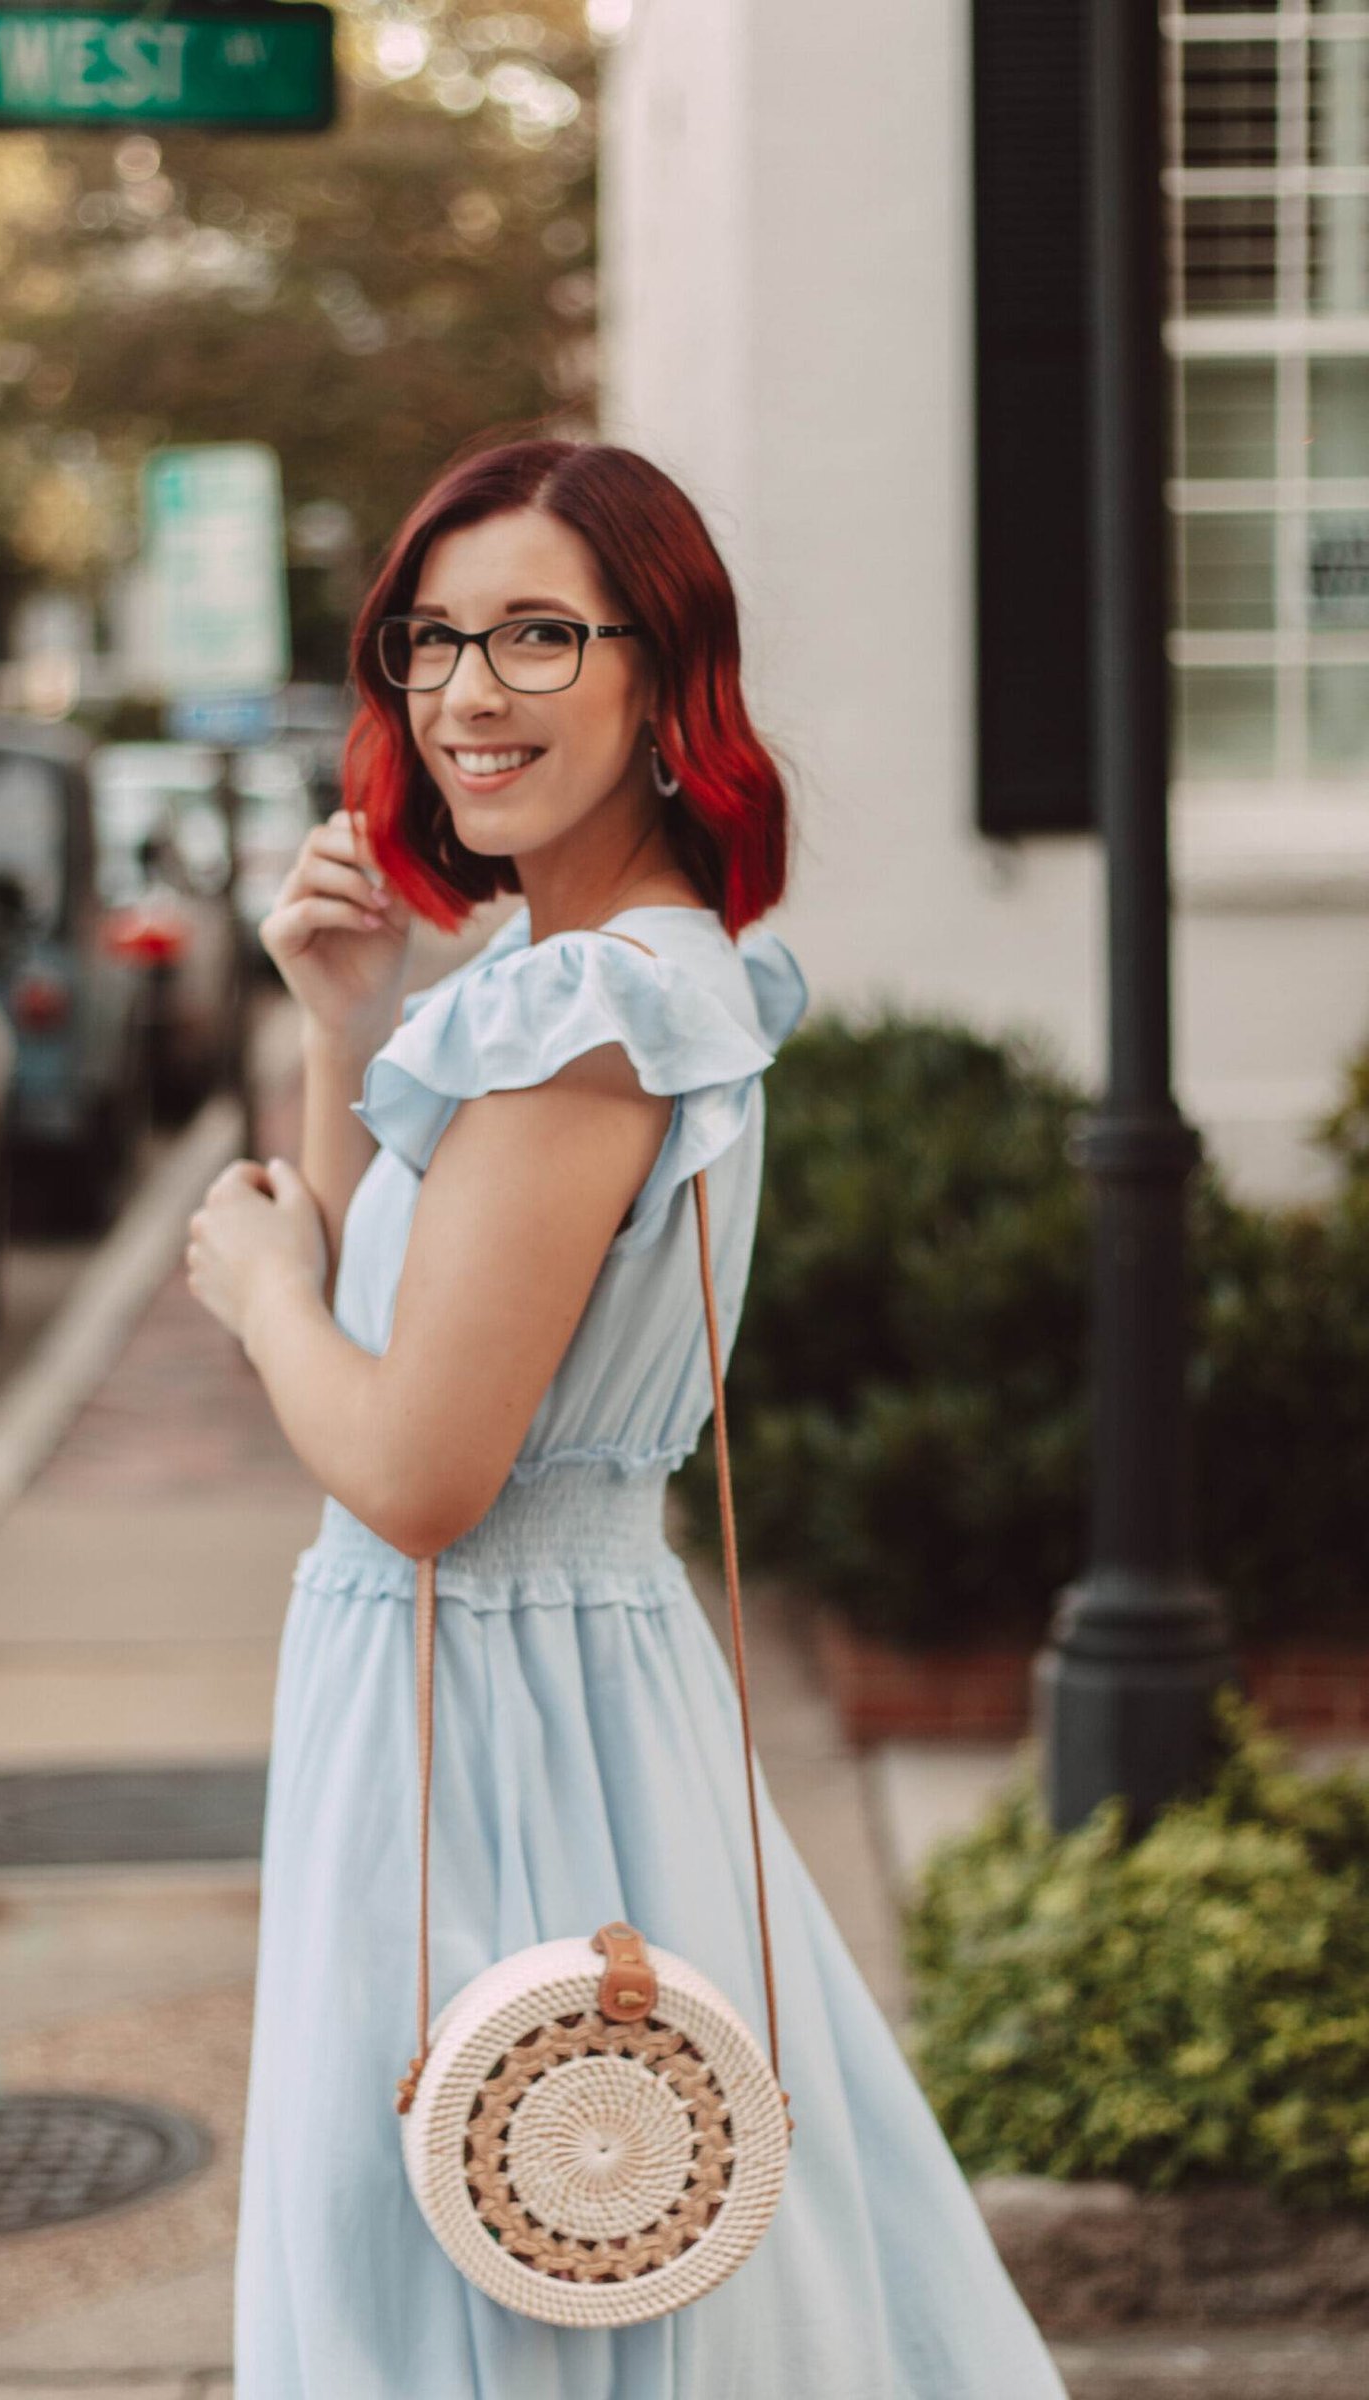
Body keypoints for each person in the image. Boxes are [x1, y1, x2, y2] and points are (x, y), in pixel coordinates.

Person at [185, 438, 1069, 2398]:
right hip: (546, 1689)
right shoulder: (600, 975)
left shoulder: (577, 1016)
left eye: (535, 638)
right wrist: (342, 1026)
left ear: (663, 685)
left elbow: (412, 1471)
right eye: (431, 642)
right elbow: (399, 1328)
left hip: (486, 1713)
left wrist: (252, 1299)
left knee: (483, 2248)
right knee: (581, 2236)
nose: (464, 696)